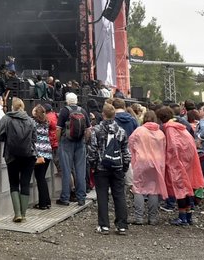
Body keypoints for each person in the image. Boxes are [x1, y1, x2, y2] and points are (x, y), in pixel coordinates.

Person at [158, 106, 204, 226]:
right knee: (188, 188)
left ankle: (182, 217)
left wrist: (168, 160)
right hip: (189, 160)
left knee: (181, 189)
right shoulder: (180, 126)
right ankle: (189, 216)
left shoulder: (169, 129)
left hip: (178, 162)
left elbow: (173, 147)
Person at [88, 103, 131, 234]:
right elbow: (126, 152)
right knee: (119, 195)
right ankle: (122, 225)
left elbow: (92, 150)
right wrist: (124, 167)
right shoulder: (121, 131)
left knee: (102, 195)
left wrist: (93, 165)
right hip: (117, 166)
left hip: (102, 167)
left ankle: (104, 225)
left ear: (103, 114)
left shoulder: (96, 130)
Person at [0, 98, 37, 223]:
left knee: (14, 183)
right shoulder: (30, 120)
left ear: (12, 107)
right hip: (29, 155)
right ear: (23, 107)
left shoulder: (7, 118)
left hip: (12, 155)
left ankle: (17, 213)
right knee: (25, 183)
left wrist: (7, 139)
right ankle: (24, 214)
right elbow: (34, 138)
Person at [129, 108, 166, 226]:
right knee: (154, 189)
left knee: (138, 188)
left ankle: (139, 218)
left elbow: (130, 144)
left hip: (142, 161)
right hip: (157, 163)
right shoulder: (161, 133)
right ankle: (152, 218)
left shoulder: (139, 130)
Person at [55, 92, 91, 206]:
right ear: (76, 100)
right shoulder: (83, 111)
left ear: (67, 100)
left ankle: (65, 198)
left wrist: (59, 141)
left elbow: (58, 129)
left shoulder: (64, 111)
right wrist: (85, 140)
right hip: (80, 143)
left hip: (66, 143)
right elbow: (89, 129)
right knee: (80, 170)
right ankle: (81, 198)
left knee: (66, 170)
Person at [31, 104, 55, 210]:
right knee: (42, 177)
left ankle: (43, 203)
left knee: (40, 178)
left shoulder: (34, 123)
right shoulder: (46, 122)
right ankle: (47, 201)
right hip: (48, 151)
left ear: (36, 113)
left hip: (39, 153)